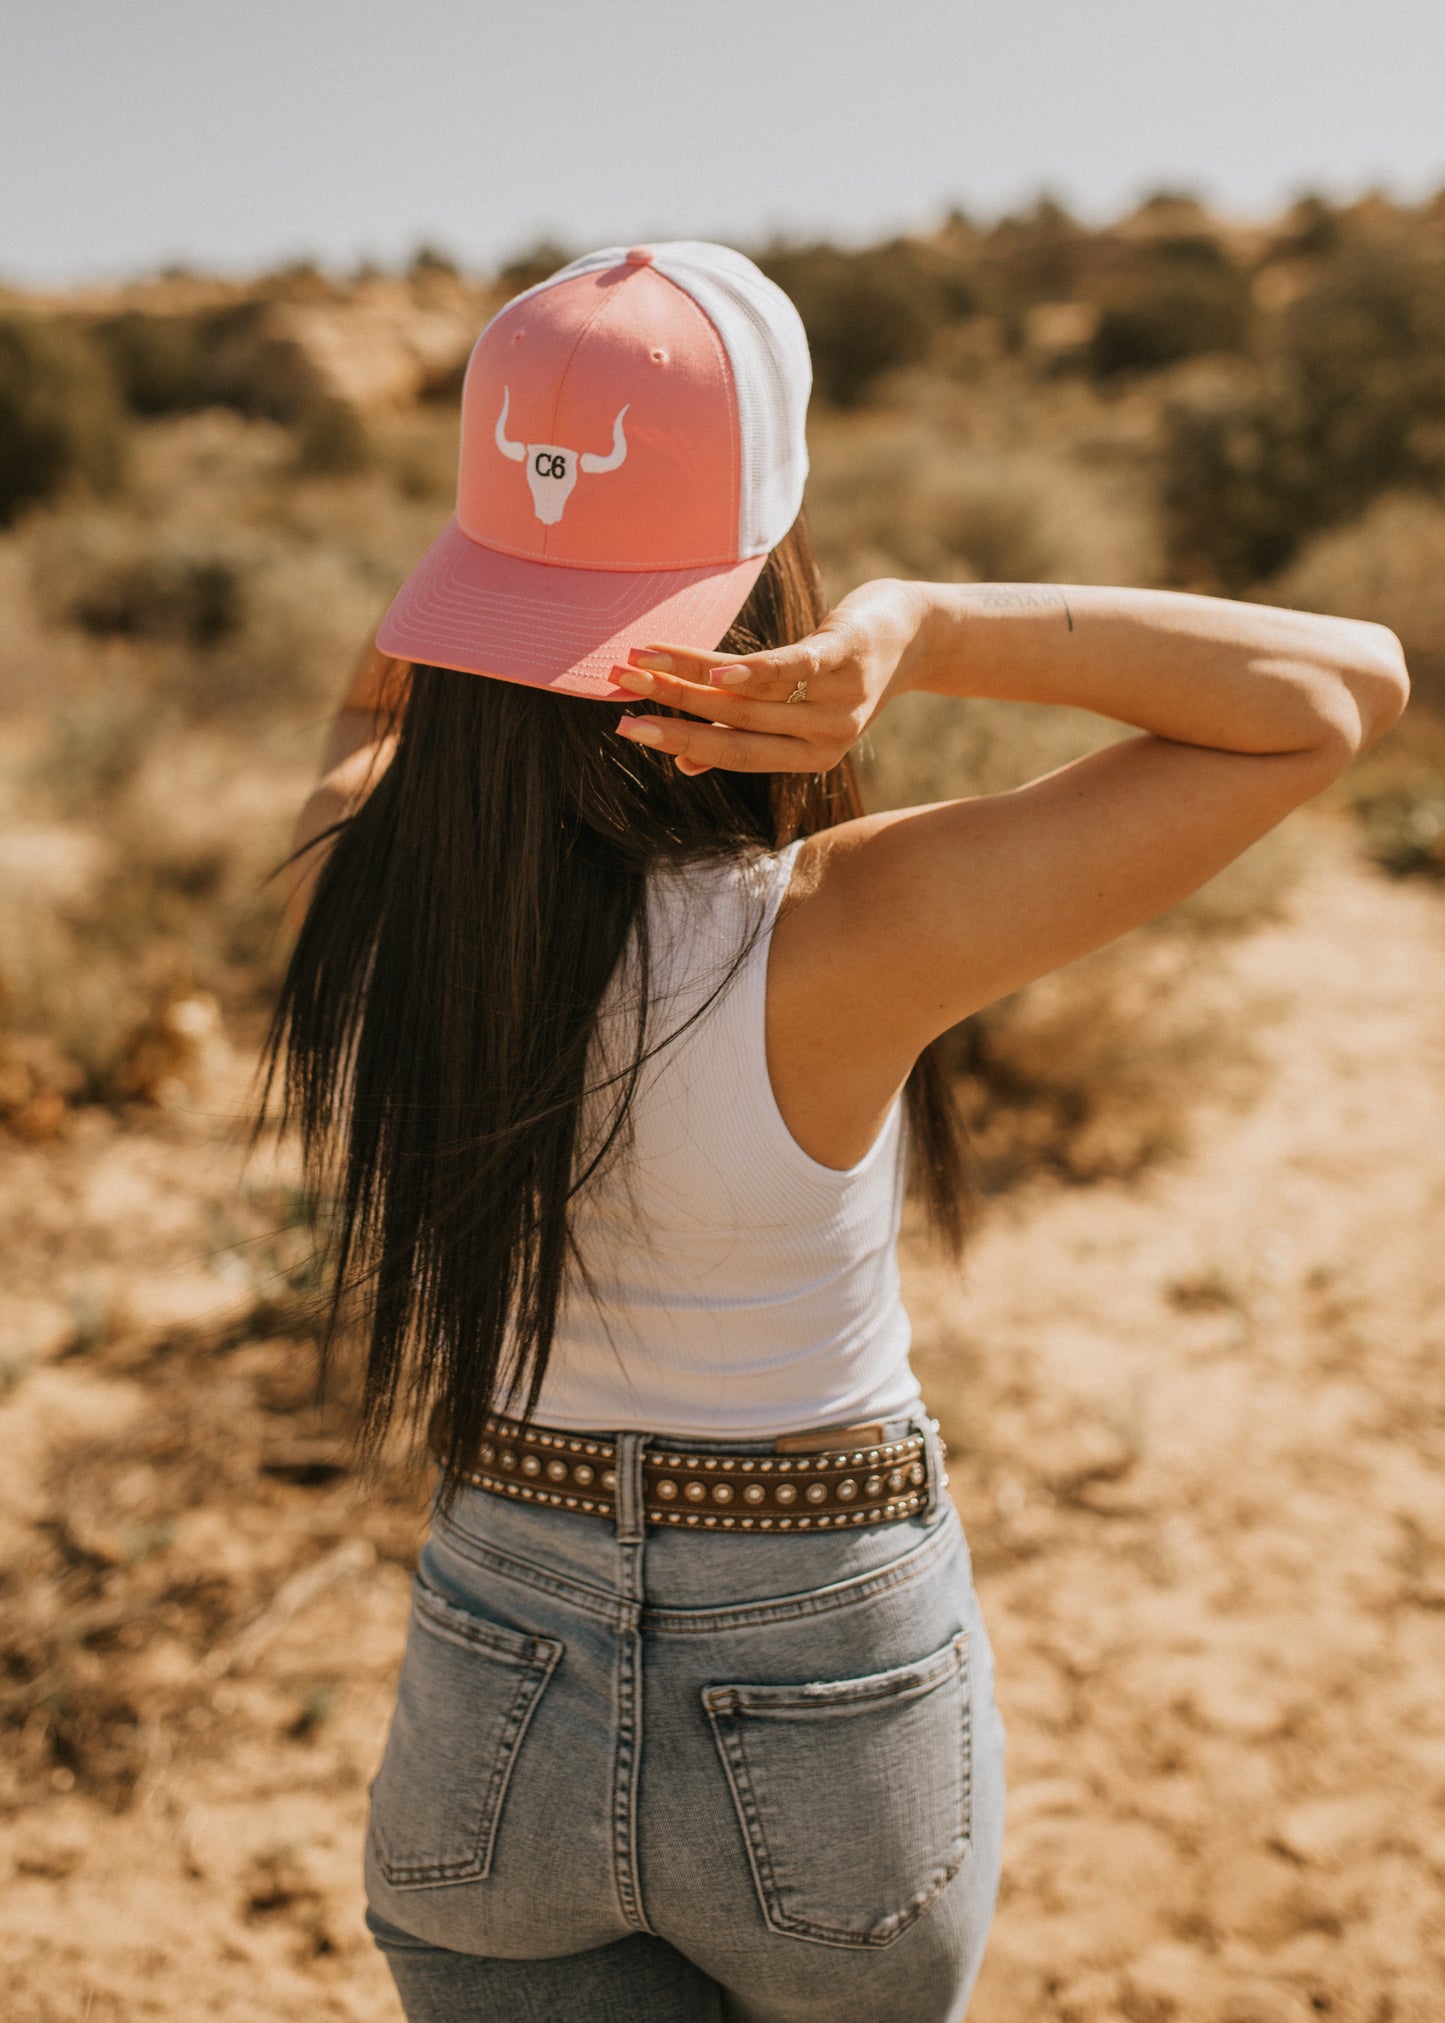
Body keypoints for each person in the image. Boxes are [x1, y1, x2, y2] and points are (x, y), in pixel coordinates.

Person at [271, 243, 1408, 2023]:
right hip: (815, 1680)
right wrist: (925, 625)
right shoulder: (843, 927)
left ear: (464, 591)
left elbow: (371, 711)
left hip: (487, 1675)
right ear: (763, 572)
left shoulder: (354, 895)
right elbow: (1338, 694)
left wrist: (506, 578)